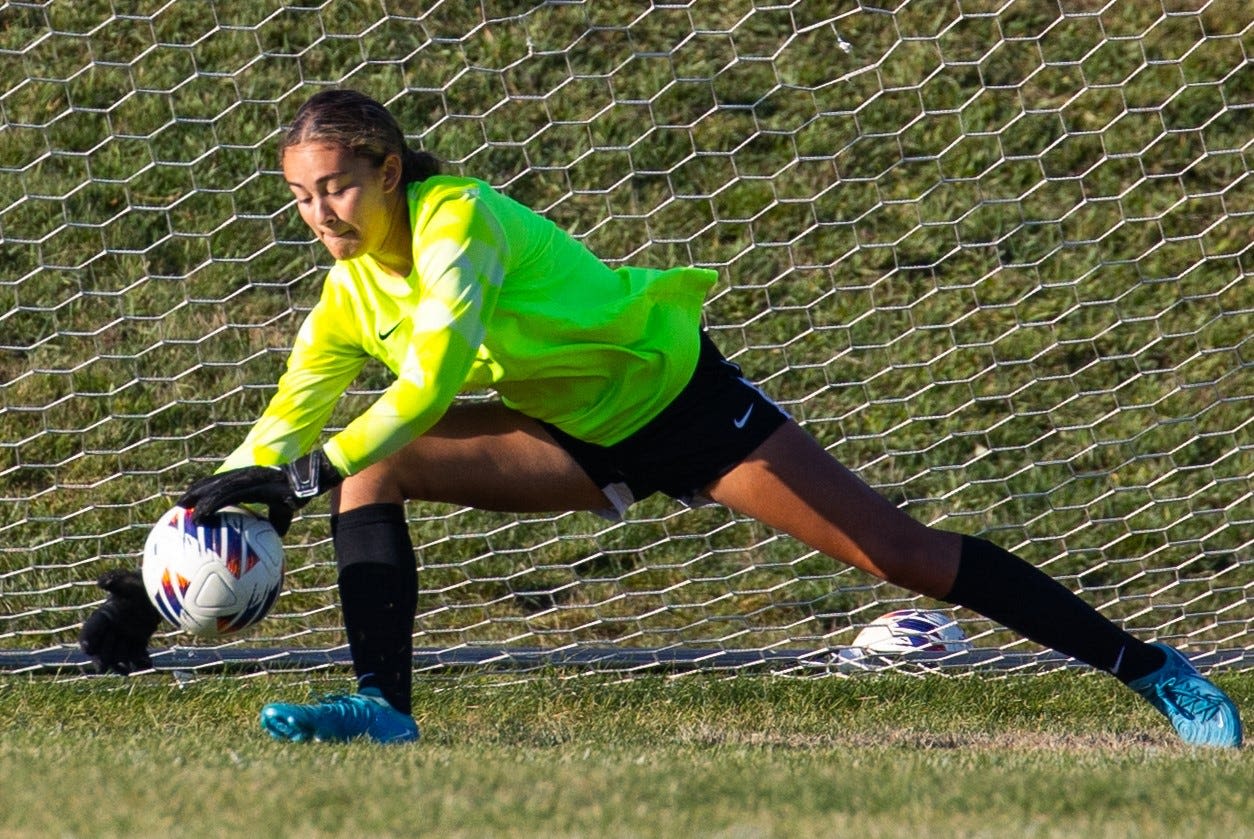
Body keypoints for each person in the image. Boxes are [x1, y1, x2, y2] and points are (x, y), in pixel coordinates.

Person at [79, 89, 1242, 748]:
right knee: (361, 471)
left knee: (904, 555)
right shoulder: (345, 294)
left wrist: (302, 467)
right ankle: (386, 707)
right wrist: (160, 570)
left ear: (385, 170)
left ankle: (1155, 668)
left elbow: (426, 380)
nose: (319, 211)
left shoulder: (454, 219)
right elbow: (284, 428)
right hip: (565, 435)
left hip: (683, 407)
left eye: (334, 184)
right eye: (300, 195)